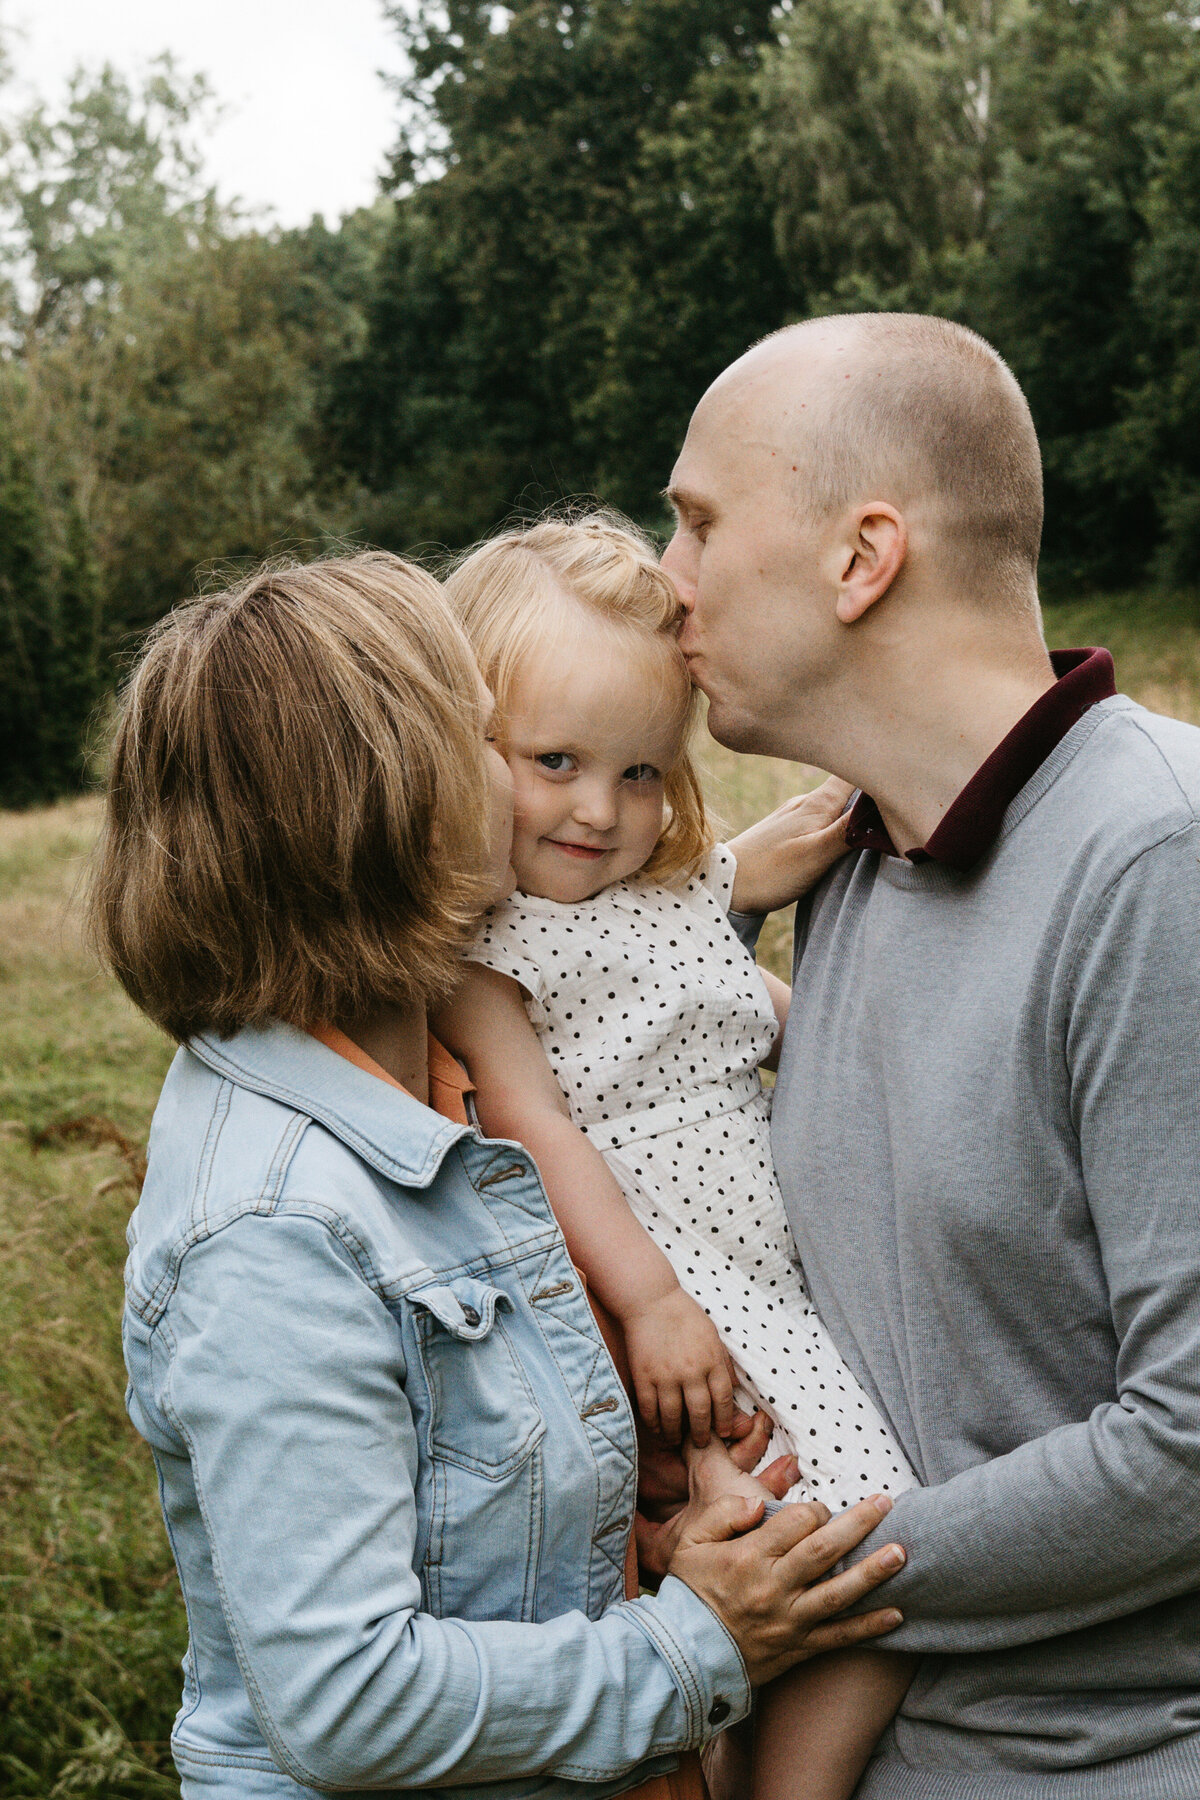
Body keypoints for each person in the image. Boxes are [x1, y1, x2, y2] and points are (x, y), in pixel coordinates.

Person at [89, 550, 906, 1800]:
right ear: (380, 805)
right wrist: (705, 1642)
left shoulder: (456, 1084)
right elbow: (352, 1704)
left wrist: (662, 1537)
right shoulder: (275, 1230)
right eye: (486, 731)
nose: (548, 790)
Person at [661, 312, 1200, 1799]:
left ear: (861, 557)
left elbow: (1190, 1444)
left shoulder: (1158, 861)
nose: (669, 582)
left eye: (698, 522)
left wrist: (794, 1585)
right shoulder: (842, 862)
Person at [435, 513, 919, 1800]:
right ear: (462, 750)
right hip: (683, 1299)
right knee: (863, 1552)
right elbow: (534, 1130)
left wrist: (775, 864)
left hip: (771, 1290)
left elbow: (725, 988)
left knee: (822, 1565)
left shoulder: (673, 890)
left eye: (645, 771)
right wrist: (653, 1307)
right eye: (554, 761)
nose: (601, 810)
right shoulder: (490, 956)